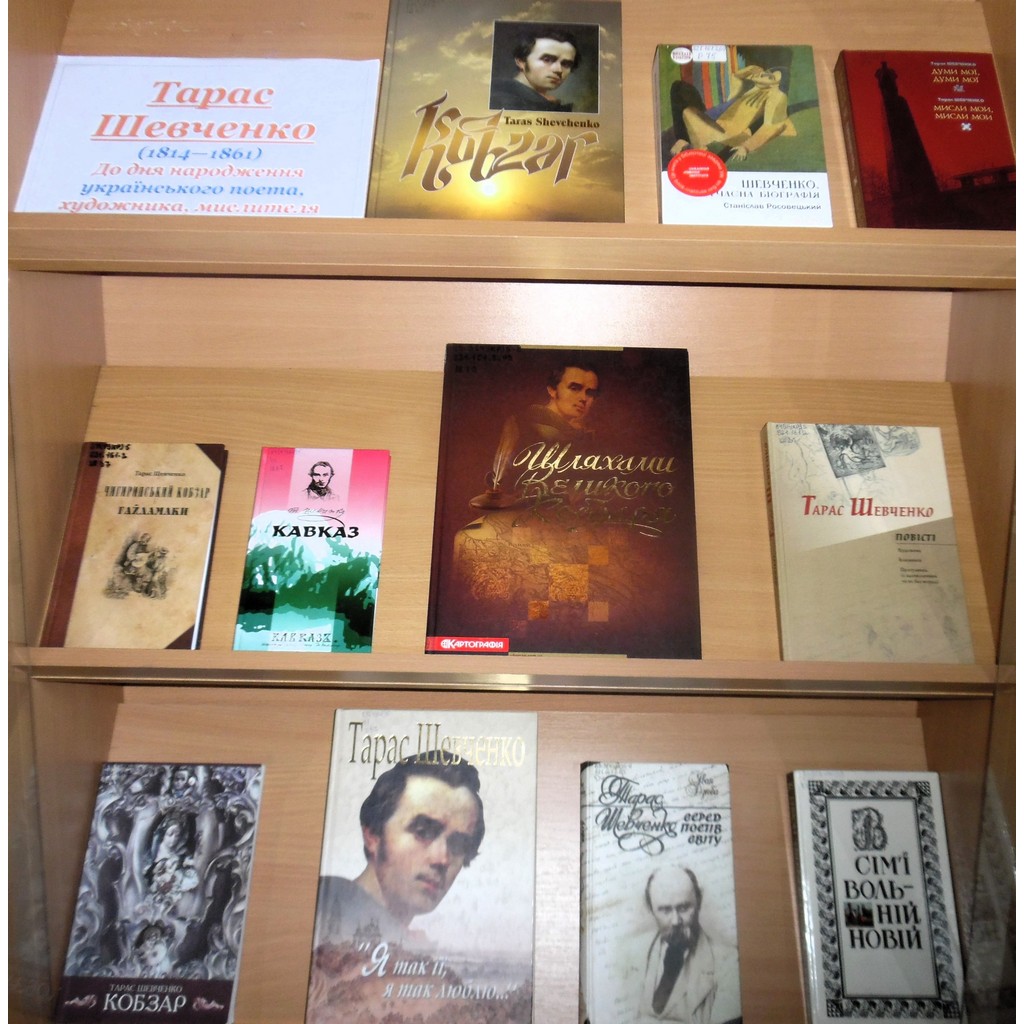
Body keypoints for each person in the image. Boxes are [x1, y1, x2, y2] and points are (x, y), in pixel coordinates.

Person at [313, 753, 485, 950]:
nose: (442, 859)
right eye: (423, 832)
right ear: (373, 835)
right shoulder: (321, 908)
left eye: (458, 844)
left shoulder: (408, 943)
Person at [634, 865, 738, 1024]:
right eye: (665, 910)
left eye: (683, 908)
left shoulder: (729, 962)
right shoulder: (632, 956)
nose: (676, 921)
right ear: (650, 908)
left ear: (699, 901)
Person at [490, 28, 580, 112]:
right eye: (547, 60)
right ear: (521, 61)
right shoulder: (501, 99)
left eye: (566, 64)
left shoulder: (548, 103)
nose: (559, 70)